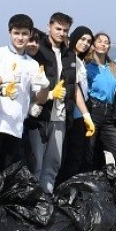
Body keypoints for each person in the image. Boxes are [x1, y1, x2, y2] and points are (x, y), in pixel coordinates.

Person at [0, 14, 50, 180]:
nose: (20, 38)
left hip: (16, 127)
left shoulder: (33, 64)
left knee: (11, 175)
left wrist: (45, 86)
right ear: (9, 32)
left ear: (29, 35)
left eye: (24, 34)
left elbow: (40, 99)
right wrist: (0, 89)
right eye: (16, 33)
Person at [29, 12, 75, 193]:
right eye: (58, 28)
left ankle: (46, 200)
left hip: (61, 116)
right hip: (39, 116)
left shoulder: (70, 55)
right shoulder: (37, 50)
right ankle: (32, 202)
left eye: (65, 30)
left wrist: (85, 114)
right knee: (36, 164)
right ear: (49, 26)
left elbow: (74, 86)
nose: (61, 33)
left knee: (53, 163)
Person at [82, 33, 116, 171]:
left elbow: (115, 89)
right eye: (100, 41)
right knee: (88, 155)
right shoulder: (87, 66)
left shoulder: (112, 66)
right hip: (93, 111)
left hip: (109, 115)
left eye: (106, 42)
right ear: (93, 45)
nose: (103, 44)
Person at [58, 25, 96, 180]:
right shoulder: (67, 58)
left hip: (81, 114)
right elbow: (74, 89)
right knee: (71, 154)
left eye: (88, 41)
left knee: (78, 154)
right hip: (71, 114)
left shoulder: (79, 60)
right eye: (82, 39)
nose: (85, 43)